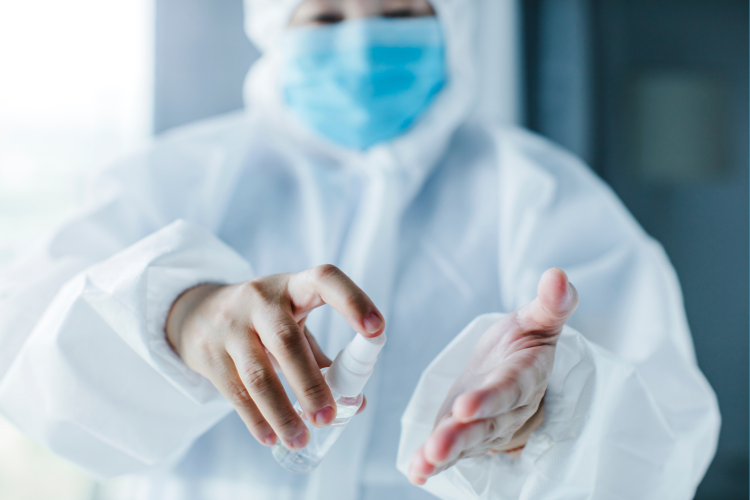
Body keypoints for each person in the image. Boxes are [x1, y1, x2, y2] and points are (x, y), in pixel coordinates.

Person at [0, 0, 720, 499]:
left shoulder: (543, 194)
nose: (359, 38)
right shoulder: (173, 177)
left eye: (400, 12)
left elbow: (662, 428)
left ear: (452, 21)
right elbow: (28, 347)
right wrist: (176, 318)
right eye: (324, 15)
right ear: (274, 25)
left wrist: (556, 410)